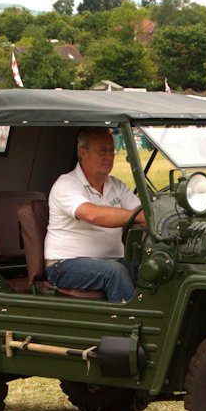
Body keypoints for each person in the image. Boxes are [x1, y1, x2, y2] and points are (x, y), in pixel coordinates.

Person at [45, 127, 145, 302]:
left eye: (112, 151)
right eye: (102, 151)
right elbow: (92, 214)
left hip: (113, 260)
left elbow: (143, 212)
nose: (110, 156)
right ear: (82, 152)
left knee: (152, 268)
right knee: (114, 272)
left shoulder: (116, 185)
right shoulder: (66, 184)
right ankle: (130, 325)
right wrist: (136, 216)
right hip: (64, 264)